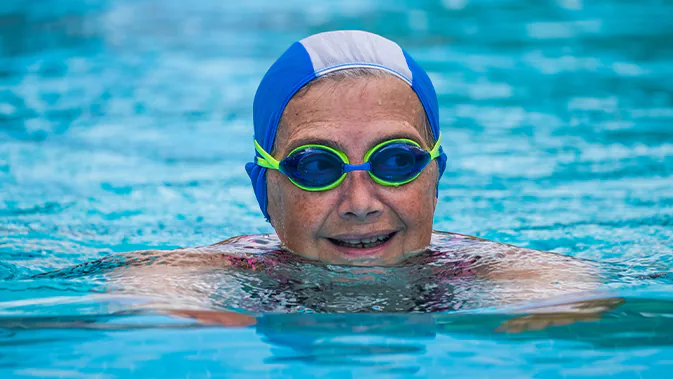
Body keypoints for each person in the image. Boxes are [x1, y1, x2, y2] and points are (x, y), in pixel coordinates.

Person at [46, 30, 606, 320]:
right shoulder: (237, 269)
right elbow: (147, 287)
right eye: (315, 165)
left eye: (396, 161)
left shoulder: (477, 269)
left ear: (436, 176)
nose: (360, 201)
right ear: (264, 189)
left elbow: (565, 287)